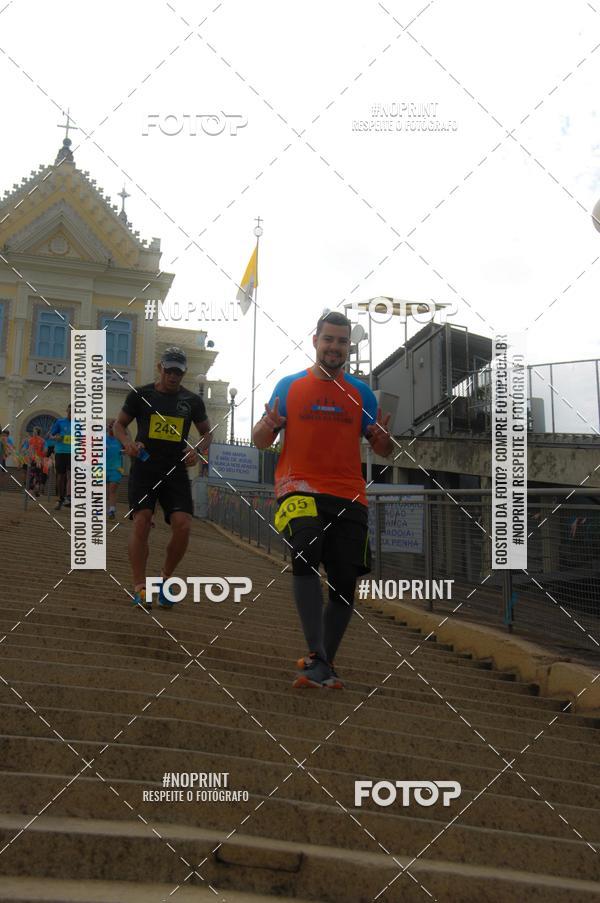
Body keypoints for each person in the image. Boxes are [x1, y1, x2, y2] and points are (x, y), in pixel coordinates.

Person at [253, 311, 393, 689]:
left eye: (342, 341)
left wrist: (383, 438)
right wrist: (267, 426)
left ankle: (322, 664)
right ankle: (318, 654)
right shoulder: (289, 386)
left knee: (345, 582)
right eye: (328, 339)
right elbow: (260, 441)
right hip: (297, 486)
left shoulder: (361, 393)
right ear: (314, 340)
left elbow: (384, 449)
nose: (334, 347)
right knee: (306, 547)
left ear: (349, 346)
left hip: (348, 493)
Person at [113, 346, 212, 609]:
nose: (173, 376)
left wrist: (197, 450)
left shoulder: (192, 401)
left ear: (184, 373)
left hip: (175, 470)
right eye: (168, 370)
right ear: (160, 368)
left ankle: (165, 580)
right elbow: (118, 425)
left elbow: (207, 433)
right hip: (145, 467)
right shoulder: (141, 395)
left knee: (183, 524)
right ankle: (140, 587)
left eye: (178, 372)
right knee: (142, 521)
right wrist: (129, 443)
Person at [49, 404, 72, 510]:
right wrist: (56, 437)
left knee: (71, 475)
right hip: (60, 451)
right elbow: (51, 435)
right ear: (67, 410)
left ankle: (69, 497)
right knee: (60, 476)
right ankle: (60, 498)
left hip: (73, 453)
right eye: (70, 411)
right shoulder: (60, 422)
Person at [106, 418, 124, 519]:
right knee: (104, 490)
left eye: (113, 426)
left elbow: (126, 450)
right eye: (110, 426)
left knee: (112, 489)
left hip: (116, 469)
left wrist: (124, 451)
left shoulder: (120, 439)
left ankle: (112, 510)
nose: (111, 428)